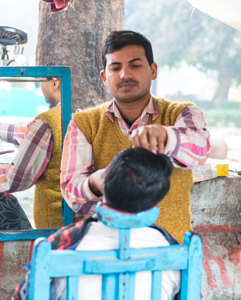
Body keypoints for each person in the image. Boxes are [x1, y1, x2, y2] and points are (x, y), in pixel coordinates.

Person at [60, 30, 210, 243]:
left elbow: (200, 150)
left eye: (135, 65)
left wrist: (166, 138)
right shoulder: (83, 124)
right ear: (104, 77)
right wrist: (99, 182)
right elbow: (72, 194)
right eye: (115, 67)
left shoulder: (182, 113)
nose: (124, 75)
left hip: (170, 252)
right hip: (105, 251)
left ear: (153, 70)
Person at [12, 148, 181, 300]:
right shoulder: (173, 248)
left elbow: (24, 296)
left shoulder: (64, 242)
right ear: (156, 202)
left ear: (103, 185)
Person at [0, 76, 62, 229]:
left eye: (41, 80)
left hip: (57, 227)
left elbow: (12, 179)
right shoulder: (78, 113)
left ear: (54, 82)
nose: (40, 85)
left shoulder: (47, 122)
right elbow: (32, 134)